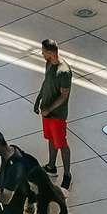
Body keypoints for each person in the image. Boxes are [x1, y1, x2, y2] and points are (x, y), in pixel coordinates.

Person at [0, 129, 68, 214]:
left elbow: (5, 198)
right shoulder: (11, 150)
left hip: (15, 209)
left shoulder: (16, 168)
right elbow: (4, 172)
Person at [33, 39, 73, 188]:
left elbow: (64, 95)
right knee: (51, 138)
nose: (42, 54)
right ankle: (51, 165)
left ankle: (67, 174)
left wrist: (49, 109)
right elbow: (46, 82)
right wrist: (38, 99)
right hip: (46, 113)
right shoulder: (48, 63)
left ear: (50, 52)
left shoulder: (64, 72)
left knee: (62, 143)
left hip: (57, 115)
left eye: (43, 51)